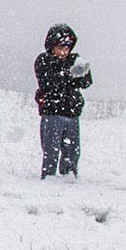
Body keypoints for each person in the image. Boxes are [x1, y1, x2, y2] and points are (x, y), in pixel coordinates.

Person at [35, 23, 94, 178]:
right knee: (51, 151)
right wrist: (69, 74)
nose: (64, 51)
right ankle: (48, 178)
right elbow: (49, 82)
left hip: (71, 114)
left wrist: (83, 71)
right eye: (60, 47)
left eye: (67, 47)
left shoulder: (74, 60)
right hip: (52, 113)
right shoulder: (44, 61)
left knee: (72, 152)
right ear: (52, 46)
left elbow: (86, 82)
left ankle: (69, 178)